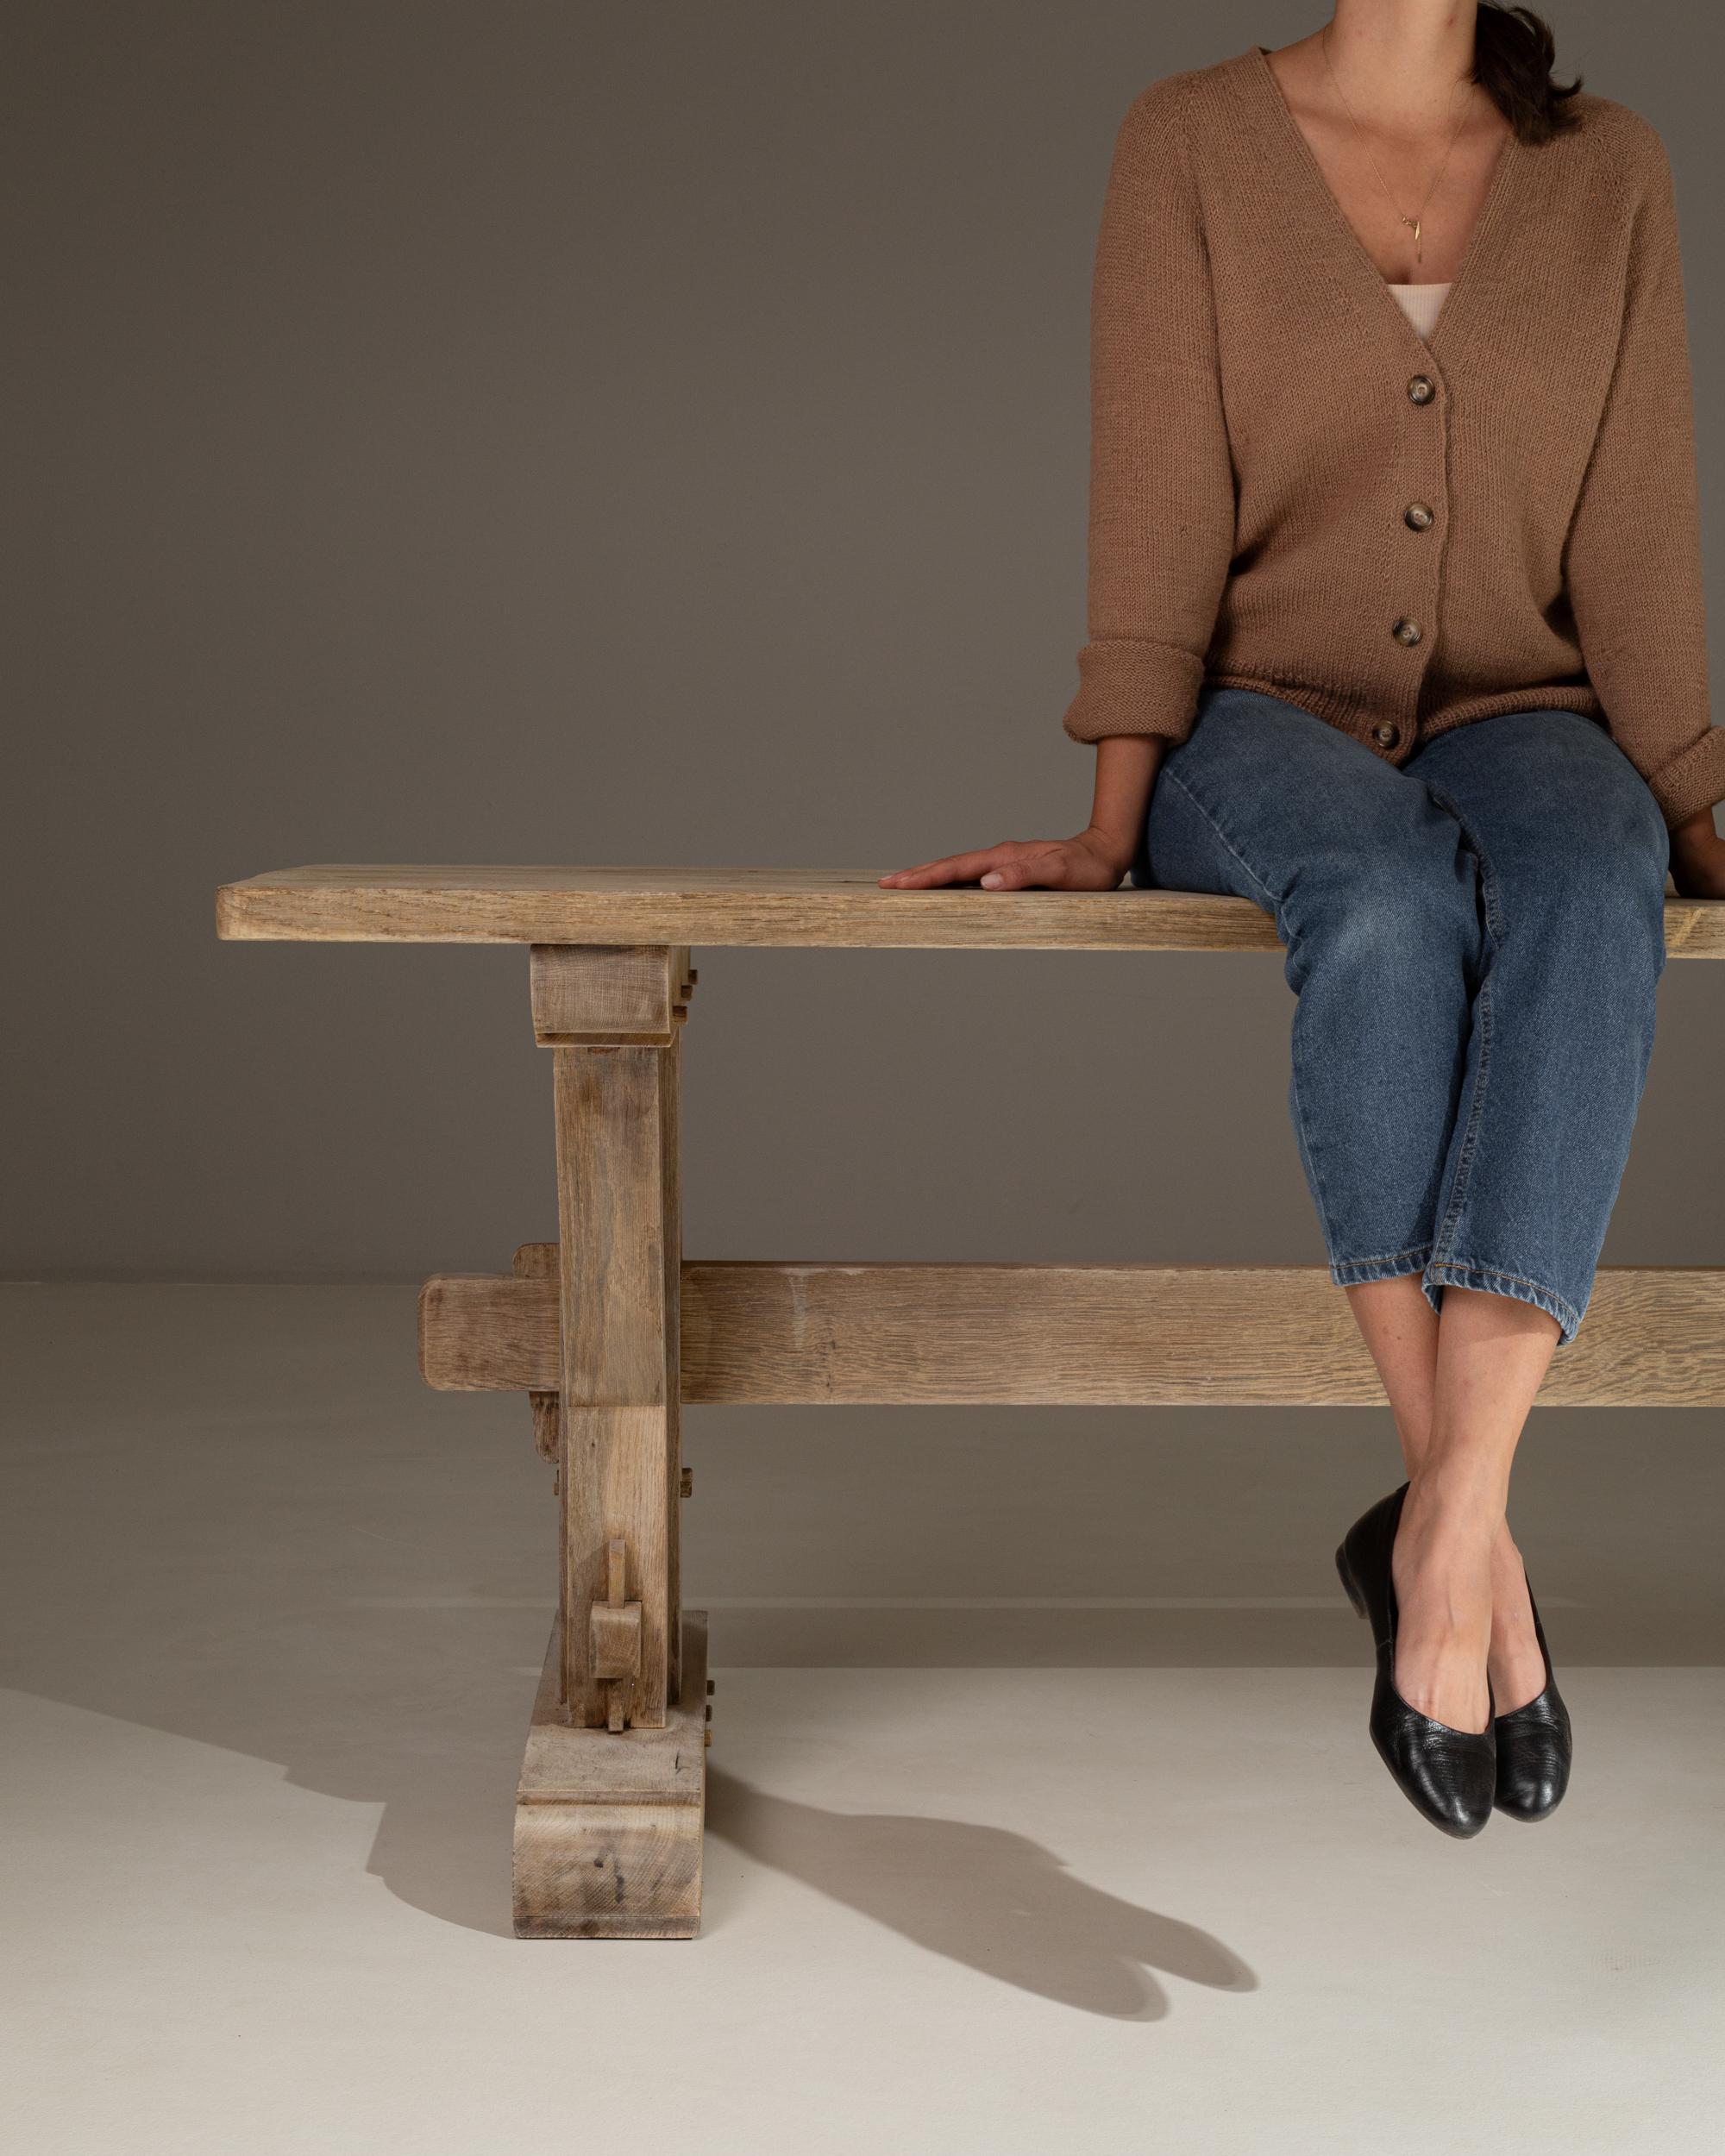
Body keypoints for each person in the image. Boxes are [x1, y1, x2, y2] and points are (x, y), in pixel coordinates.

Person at [880, 3, 1725, 1838]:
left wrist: (1700, 804)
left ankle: (1436, 1528)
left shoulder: (1613, 174)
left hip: (1537, 712)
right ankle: (1469, 1553)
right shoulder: (1189, 141)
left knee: (1596, 885)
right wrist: (1113, 821)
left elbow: (1642, 539)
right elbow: (1155, 501)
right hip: (1259, 723)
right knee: (1381, 904)